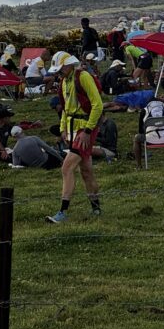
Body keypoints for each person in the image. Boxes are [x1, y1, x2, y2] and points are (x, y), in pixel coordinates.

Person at [46, 52, 104, 224]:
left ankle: (63, 212)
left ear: (69, 65)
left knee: (66, 168)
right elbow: (65, 108)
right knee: (86, 171)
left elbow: (97, 104)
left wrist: (87, 130)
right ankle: (97, 208)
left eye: (60, 69)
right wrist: (63, 128)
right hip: (73, 128)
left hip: (85, 129)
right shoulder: (64, 82)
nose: (58, 73)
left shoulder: (83, 77)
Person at [133, 95, 164, 167]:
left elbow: (140, 131)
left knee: (137, 138)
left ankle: (139, 165)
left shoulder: (144, 111)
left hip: (150, 139)